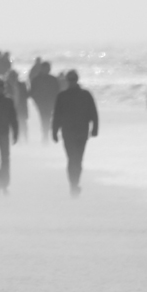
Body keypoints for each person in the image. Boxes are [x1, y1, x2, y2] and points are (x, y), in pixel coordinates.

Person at [51, 70, 99, 198]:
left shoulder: (85, 95)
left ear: (76, 80)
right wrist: (54, 132)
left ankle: (75, 183)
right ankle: (73, 184)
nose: (71, 82)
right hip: (68, 132)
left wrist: (94, 129)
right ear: (67, 81)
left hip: (81, 132)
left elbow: (93, 112)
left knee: (78, 160)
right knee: (72, 159)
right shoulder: (62, 96)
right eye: (70, 80)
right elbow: (56, 115)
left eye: (73, 80)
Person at [29, 60, 61, 142]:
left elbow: (57, 91)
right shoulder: (36, 79)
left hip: (51, 103)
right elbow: (32, 92)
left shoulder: (53, 79)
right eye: (46, 68)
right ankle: (45, 135)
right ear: (42, 68)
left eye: (48, 68)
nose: (47, 70)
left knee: (48, 118)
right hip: (41, 103)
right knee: (44, 118)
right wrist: (37, 101)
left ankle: (47, 135)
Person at [5, 69, 30, 143]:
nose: (13, 78)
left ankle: (25, 139)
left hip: (21, 108)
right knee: (11, 125)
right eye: (11, 76)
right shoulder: (5, 85)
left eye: (14, 76)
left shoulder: (22, 85)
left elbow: (26, 95)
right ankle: (13, 139)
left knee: (23, 124)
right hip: (9, 110)